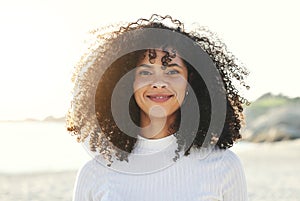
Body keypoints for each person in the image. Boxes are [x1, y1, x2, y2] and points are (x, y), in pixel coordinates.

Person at [67, 14, 250, 201]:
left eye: (172, 71)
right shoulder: (96, 173)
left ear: (190, 82)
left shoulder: (223, 166)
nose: (159, 83)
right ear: (128, 82)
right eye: (145, 72)